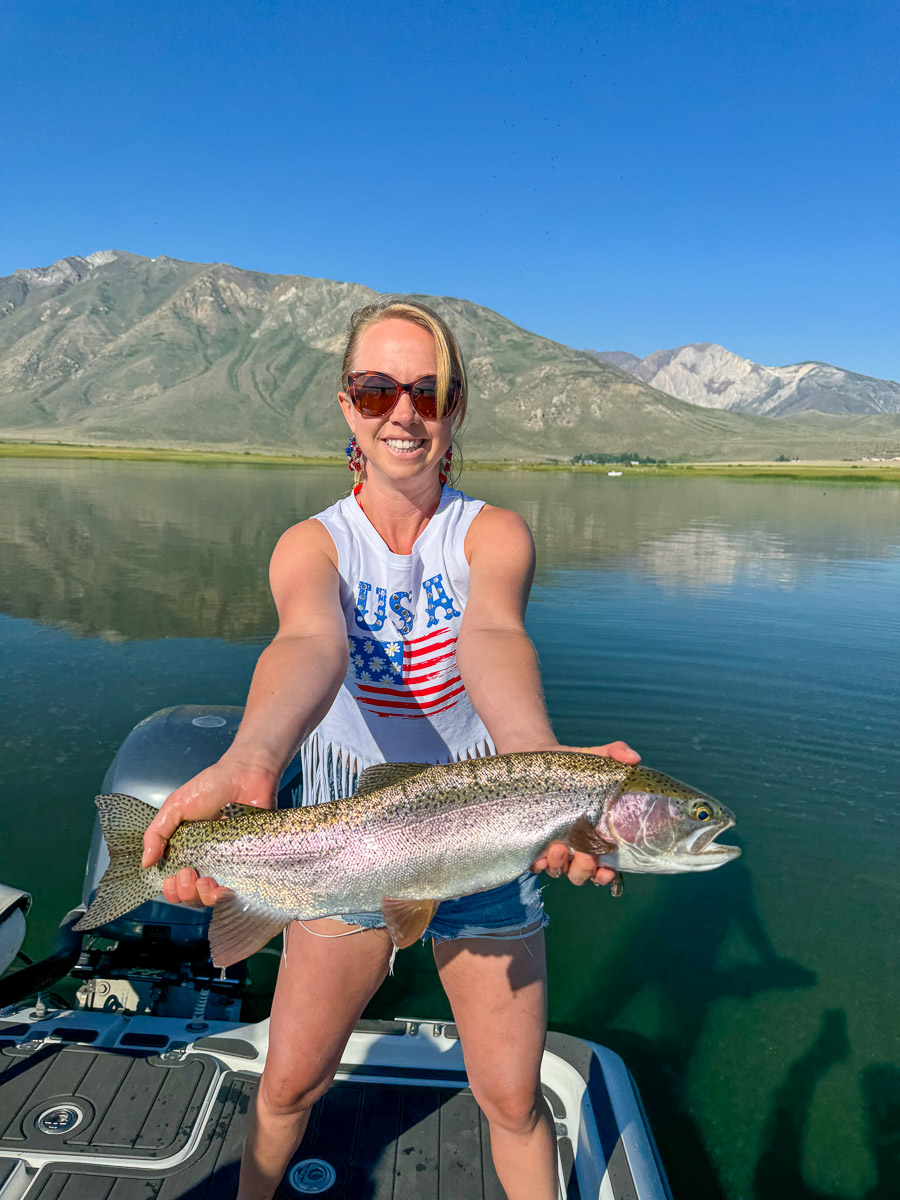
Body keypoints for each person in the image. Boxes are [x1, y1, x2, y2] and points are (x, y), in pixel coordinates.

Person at [141, 299, 640, 1200]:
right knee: (289, 1084)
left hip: (489, 841)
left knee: (513, 1100)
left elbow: (492, 640)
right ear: (347, 408)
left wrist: (543, 772)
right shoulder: (312, 545)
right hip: (346, 844)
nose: (403, 413)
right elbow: (307, 645)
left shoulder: (492, 534)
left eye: (427, 391)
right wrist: (253, 761)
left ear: (454, 411)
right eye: (377, 392)